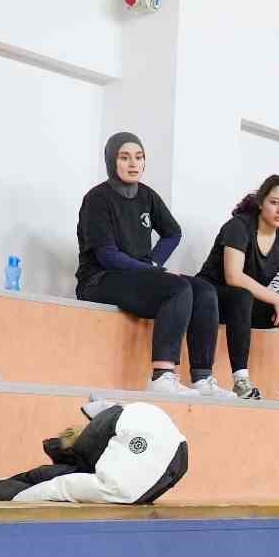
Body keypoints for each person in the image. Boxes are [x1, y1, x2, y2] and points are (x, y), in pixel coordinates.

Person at [75, 132, 233, 398]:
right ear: (111, 161)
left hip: (137, 277)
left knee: (204, 290)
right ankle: (162, 376)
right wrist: (153, 269)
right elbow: (108, 257)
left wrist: (153, 262)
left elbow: (173, 232)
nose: (133, 164)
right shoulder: (97, 199)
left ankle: (203, 379)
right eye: (125, 157)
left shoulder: (147, 196)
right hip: (100, 279)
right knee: (176, 287)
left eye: (139, 157)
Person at [197, 175, 279, 404]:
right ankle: (241, 381)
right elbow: (233, 276)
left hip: (246, 305)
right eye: (274, 202)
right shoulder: (239, 226)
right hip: (213, 298)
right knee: (242, 296)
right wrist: (278, 300)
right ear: (261, 202)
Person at [0, 399, 188, 505]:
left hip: (126, 477)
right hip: (174, 458)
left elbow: (58, 487)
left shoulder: (107, 428)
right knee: (50, 478)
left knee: (48, 481)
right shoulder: (131, 422)